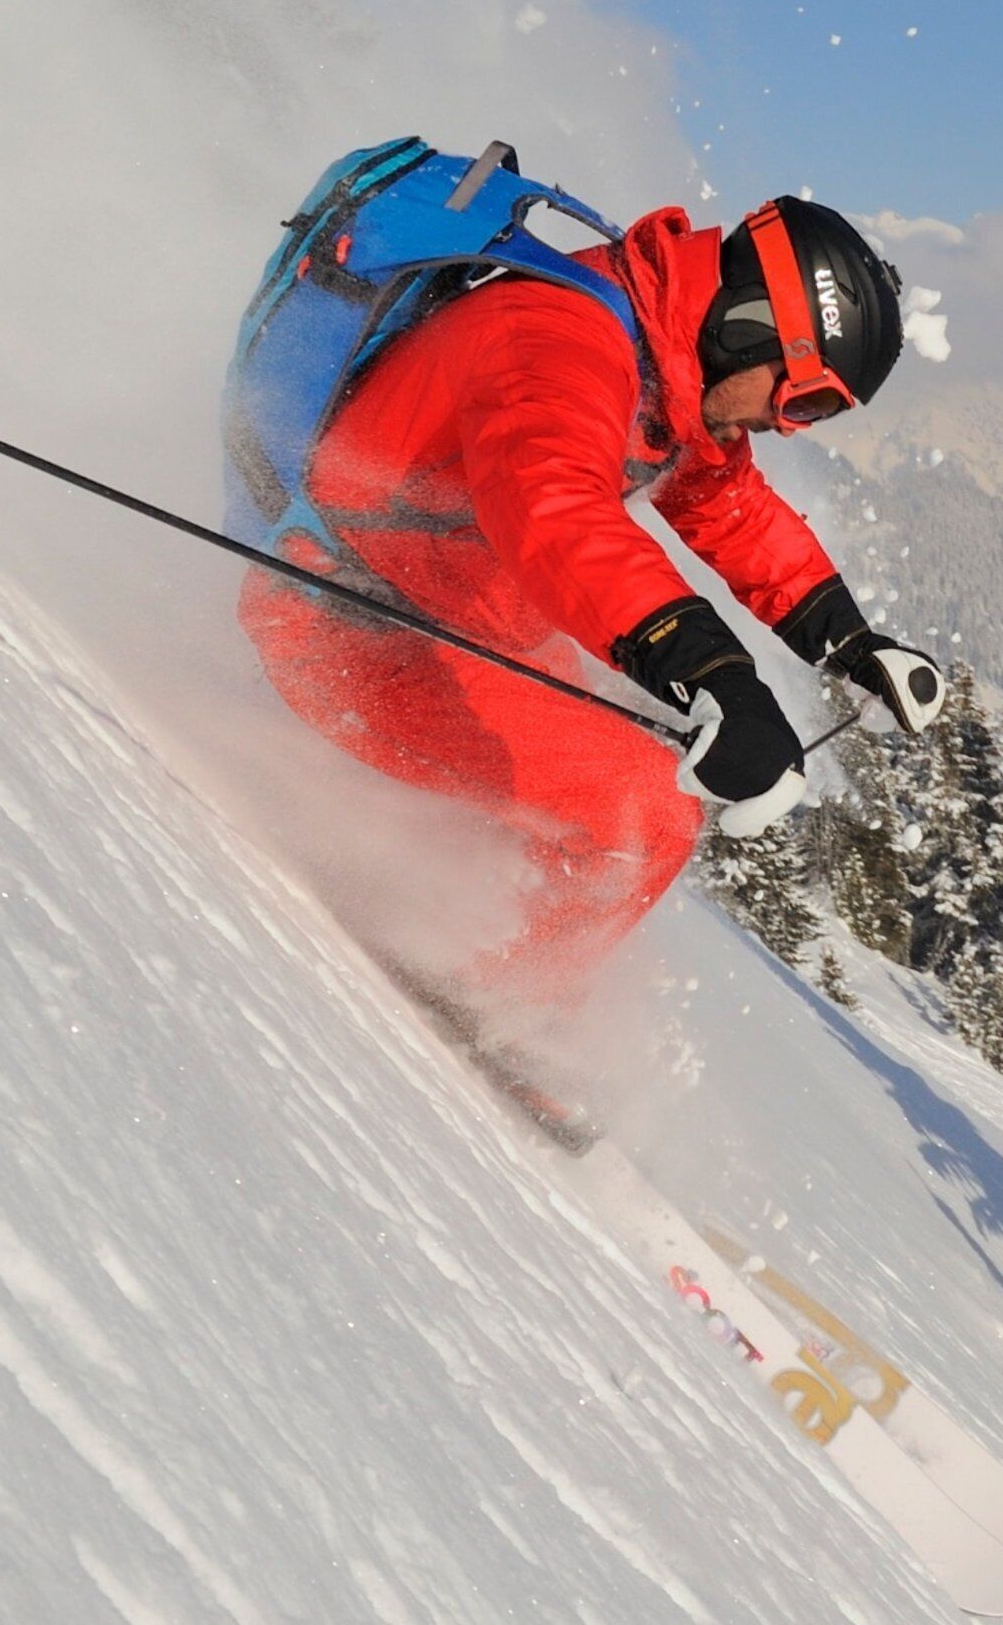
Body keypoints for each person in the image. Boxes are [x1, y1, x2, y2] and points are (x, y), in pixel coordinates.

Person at [235, 179, 945, 1014]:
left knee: (627, 745)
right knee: (640, 812)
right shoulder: (553, 343)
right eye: (806, 398)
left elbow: (727, 507)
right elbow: (554, 511)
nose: (793, 426)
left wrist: (851, 644)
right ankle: (500, 1005)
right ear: (751, 324)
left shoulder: (660, 357)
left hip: (456, 618)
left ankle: (476, 949)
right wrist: (719, 676)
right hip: (349, 629)